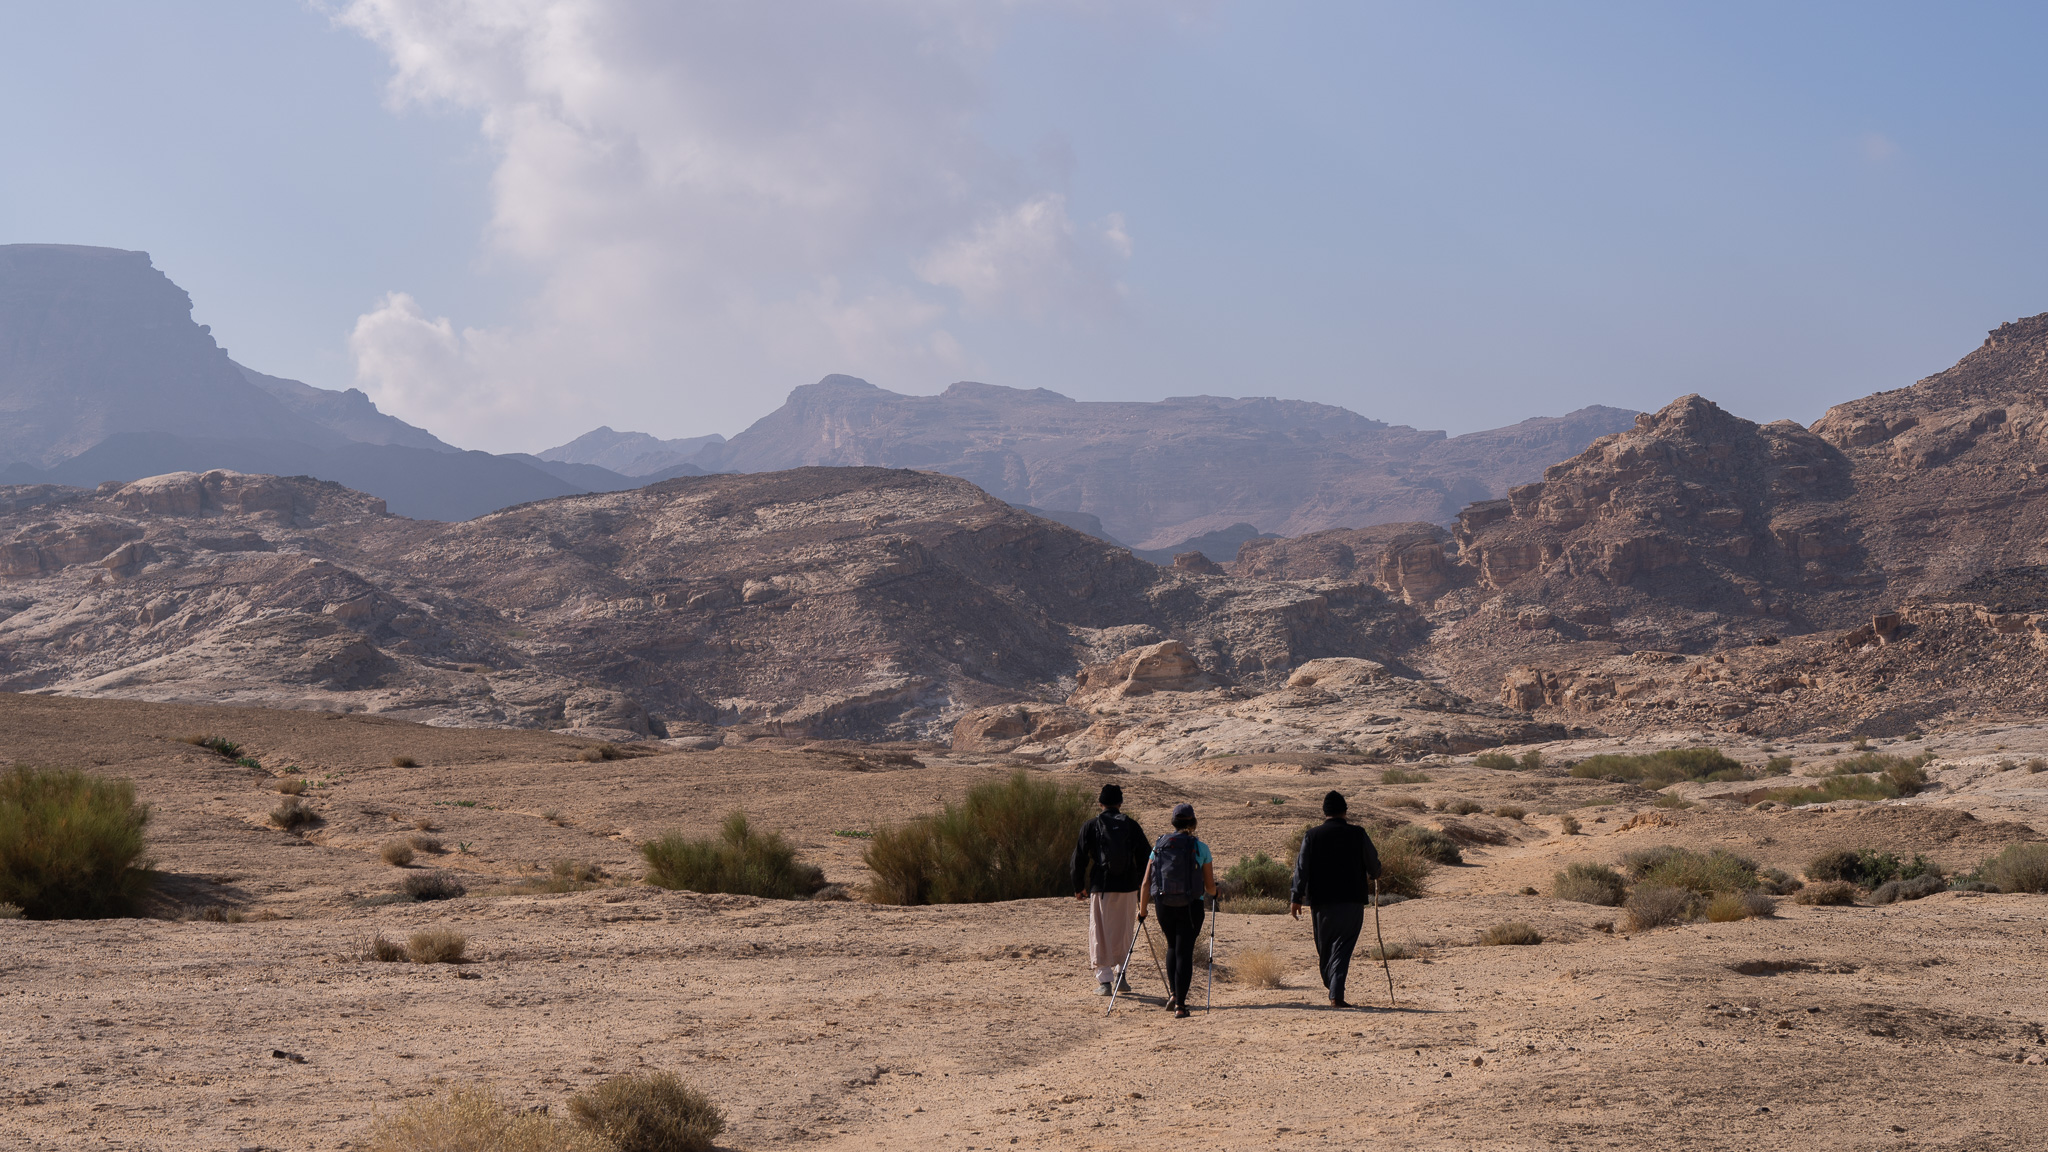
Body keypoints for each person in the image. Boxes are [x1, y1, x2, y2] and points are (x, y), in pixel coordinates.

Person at [1288, 790, 1382, 1009]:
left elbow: (1301, 869)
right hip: (1352, 901)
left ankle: (1335, 991)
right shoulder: (1358, 833)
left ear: (1325, 812)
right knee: (1342, 945)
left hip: (1321, 902)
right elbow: (1373, 863)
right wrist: (1376, 873)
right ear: (1345, 812)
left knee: (1326, 946)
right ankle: (1334, 987)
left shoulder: (1312, 835)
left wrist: (1296, 897)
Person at [1136, 802, 1217, 1018]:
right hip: (1191, 905)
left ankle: (1173, 994)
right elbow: (1209, 886)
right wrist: (1216, 892)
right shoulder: (1201, 848)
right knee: (1184, 951)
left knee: (1172, 946)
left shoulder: (1159, 846)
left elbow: (1145, 883)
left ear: (1173, 822)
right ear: (1193, 823)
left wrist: (1142, 910)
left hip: (1164, 905)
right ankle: (1181, 1004)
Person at [1071, 783, 1149, 997]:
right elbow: (1146, 857)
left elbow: (1078, 858)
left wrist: (1079, 887)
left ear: (1100, 803)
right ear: (1120, 803)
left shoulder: (1091, 825)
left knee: (1100, 932)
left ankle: (1104, 982)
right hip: (1128, 887)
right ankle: (1121, 976)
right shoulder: (1131, 826)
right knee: (1124, 931)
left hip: (1101, 886)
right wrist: (1144, 887)